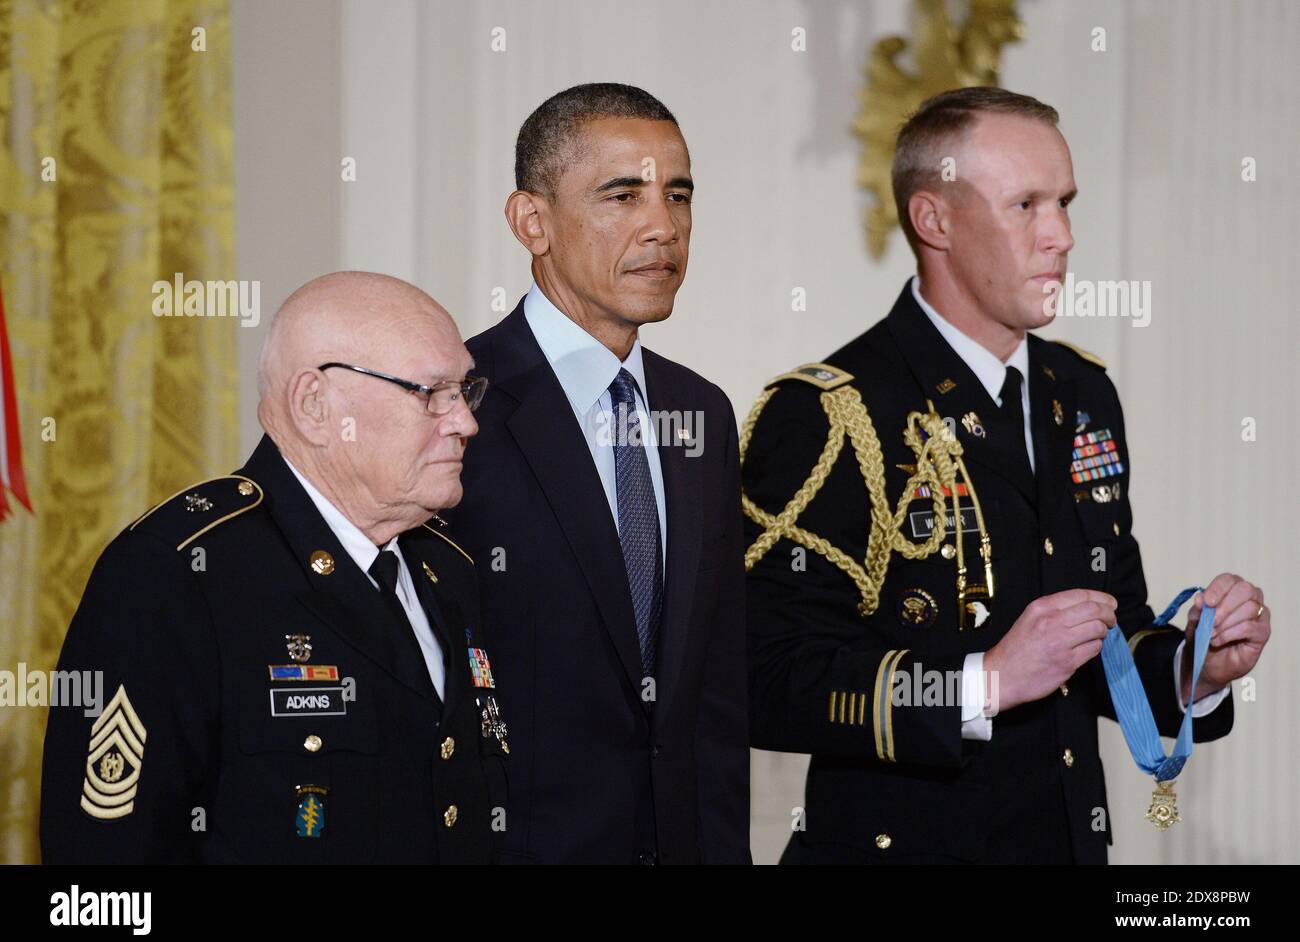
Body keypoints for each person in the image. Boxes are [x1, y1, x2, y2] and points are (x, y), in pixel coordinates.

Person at [741, 87, 1271, 864]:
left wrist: (1194, 670)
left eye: (1065, 202)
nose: (1060, 234)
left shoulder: (1081, 393)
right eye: (1026, 204)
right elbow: (766, 679)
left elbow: (1107, 634)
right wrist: (979, 683)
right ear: (935, 221)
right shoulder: (829, 411)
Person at [41, 271, 509, 863]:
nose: (464, 421)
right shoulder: (178, 574)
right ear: (315, 405)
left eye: (464, 391)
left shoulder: (449, 568)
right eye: (429, 393)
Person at [449, 83, 750, 864]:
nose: (663, 226)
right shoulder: (456, 399)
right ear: (532, 221)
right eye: (623, 195)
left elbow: (714, 696)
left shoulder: (703, 411)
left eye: (678, 195)